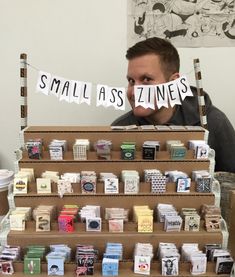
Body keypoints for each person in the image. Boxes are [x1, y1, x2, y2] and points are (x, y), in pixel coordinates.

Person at [111, 37, 235, 173]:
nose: (135, 92)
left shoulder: (214, 123)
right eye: (131, 81)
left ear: (173, 83)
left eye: (146, 80)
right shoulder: (121, 129)